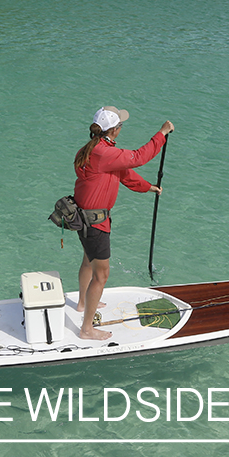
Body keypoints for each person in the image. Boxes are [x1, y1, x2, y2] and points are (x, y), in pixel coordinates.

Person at [72, 106, 174, 340]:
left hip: (83, 219)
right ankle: (87, 329)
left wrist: (149, 187)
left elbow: (124, 174)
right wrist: (161, 134)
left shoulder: (89, 151)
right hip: (96, 223)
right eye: (120, 126)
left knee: (88, 260)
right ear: (114, 130)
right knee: (102, 275)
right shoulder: (104, 153)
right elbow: (138, 158)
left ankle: (81, 303)